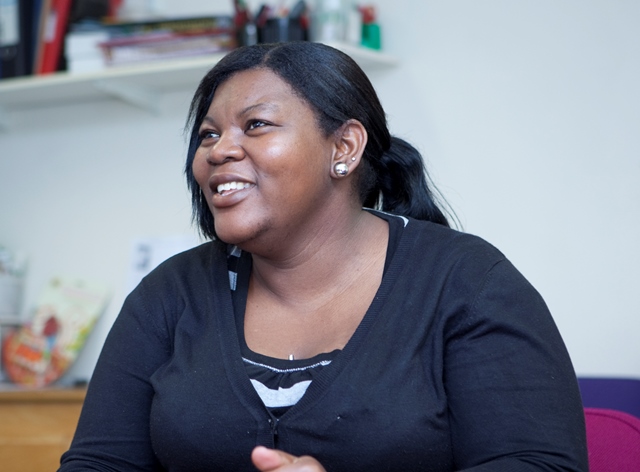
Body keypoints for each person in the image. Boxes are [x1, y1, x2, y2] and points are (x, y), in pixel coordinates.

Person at [59, 41, 588, 471]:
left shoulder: (467, 283)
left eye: (256, 125)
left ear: (344, 147)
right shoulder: (169, 295)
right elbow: (100, 464)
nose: (218, 150)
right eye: (208, 135)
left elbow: (538, 464)